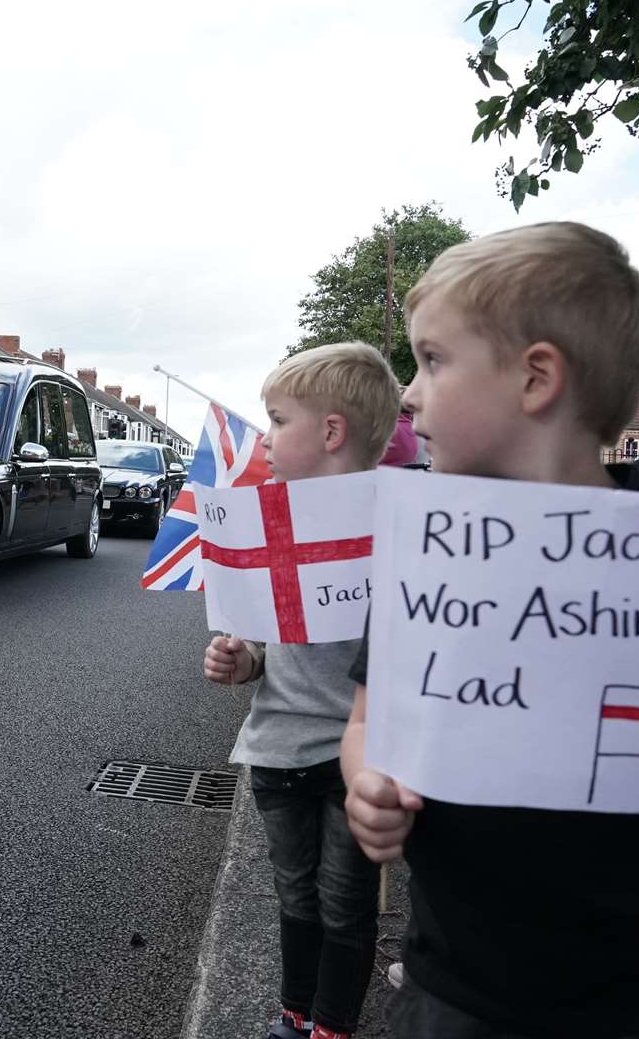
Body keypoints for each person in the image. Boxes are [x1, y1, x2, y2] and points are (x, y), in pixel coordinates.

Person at [341, 223, 639, 1038]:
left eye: (434, 360)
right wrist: (368, 782)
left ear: (536, 377)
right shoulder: (429, 559)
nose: (408, 394)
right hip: (459, 992)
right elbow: (372, 722)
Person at [202, 342, 401, 1039]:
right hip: (279, 751)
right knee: (296, 896)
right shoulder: (269, 517)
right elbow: (265, 636)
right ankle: (295, 1012)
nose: (265, 439)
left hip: (358, 760)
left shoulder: (396, 525)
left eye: (277, 420)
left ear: (331, 432)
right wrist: (242, 658)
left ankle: (333, 1025)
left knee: (346, 906)